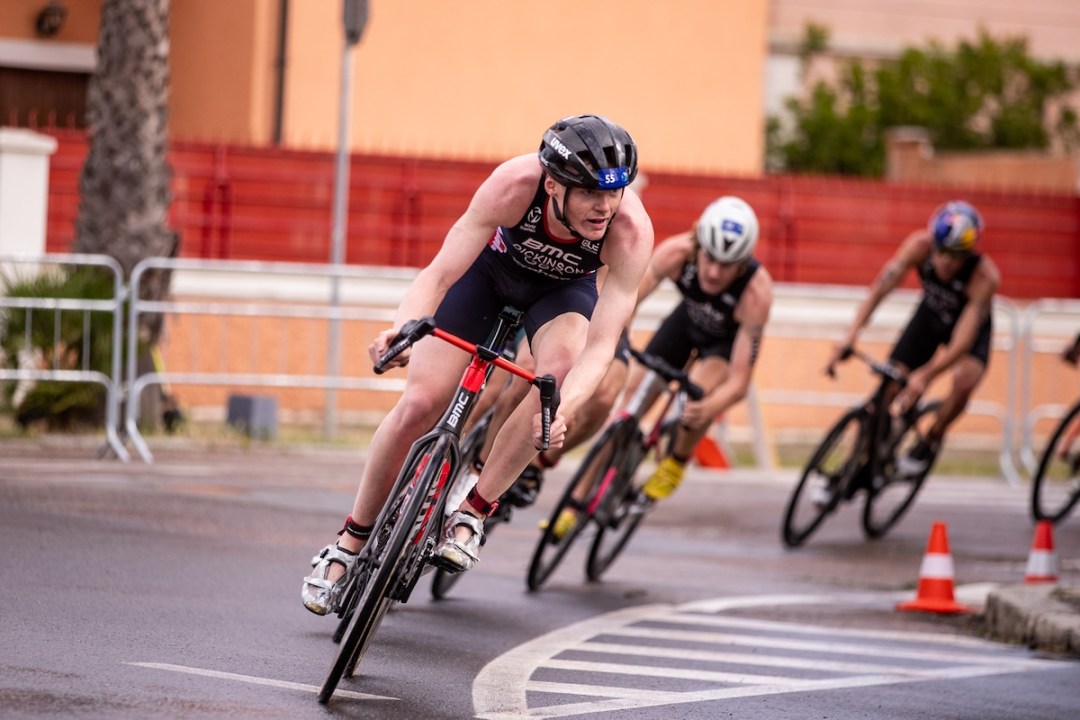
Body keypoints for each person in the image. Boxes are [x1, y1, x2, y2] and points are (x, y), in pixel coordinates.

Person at [301, 114, 654, 615]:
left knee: (552, 382)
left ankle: (473, 512)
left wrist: (565, 410)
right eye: (590, 192)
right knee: (421, 402)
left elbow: (601, 346)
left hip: (561, 296)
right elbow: (441, 273)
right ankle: (348, 544)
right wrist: (402, 328)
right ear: (552, 183)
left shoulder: (630, 232)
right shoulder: (513, 185)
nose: (605, 206)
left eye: (615, 192)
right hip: (488, 275)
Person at [549, 195, 774, 535]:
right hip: (684, 326)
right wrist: (617, 338)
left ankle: (676, 460)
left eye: (726, 265)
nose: (713, 272)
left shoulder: (756, 294)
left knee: (699, 394)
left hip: (721, 347)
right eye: (710, 259)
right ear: (698, 246)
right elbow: (627, 297)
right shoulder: (677, 252)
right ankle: (575, 503)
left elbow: (739, 382)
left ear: (742, 264)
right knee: (628, 410)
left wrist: (708, 407)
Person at [823, 200, 1001, 482]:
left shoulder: (983, 277)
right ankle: (852, 465)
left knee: (964, 385)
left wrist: (926, 376)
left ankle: (930, 438)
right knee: (886, 389)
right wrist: (851, 334)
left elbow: (961, 342)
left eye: (955, 256)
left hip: (967, 332)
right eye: (941, 251)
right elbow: (880, 289)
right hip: (929, 318)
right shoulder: (918, 246)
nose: (945, 261)